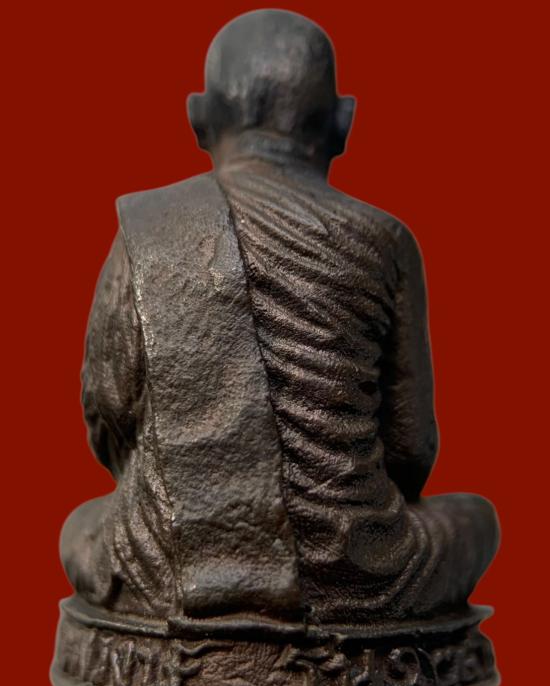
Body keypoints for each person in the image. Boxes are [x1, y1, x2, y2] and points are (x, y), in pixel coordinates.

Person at [61, 9, 498, 625]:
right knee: (477, 519)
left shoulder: (148, 232)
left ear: (198, 118)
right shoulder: (385, 241)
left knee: (81, 527)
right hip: (357, 566)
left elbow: (108, 413)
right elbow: (410, 451)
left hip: (167, 560)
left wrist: (175, 484)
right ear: (342, 121)